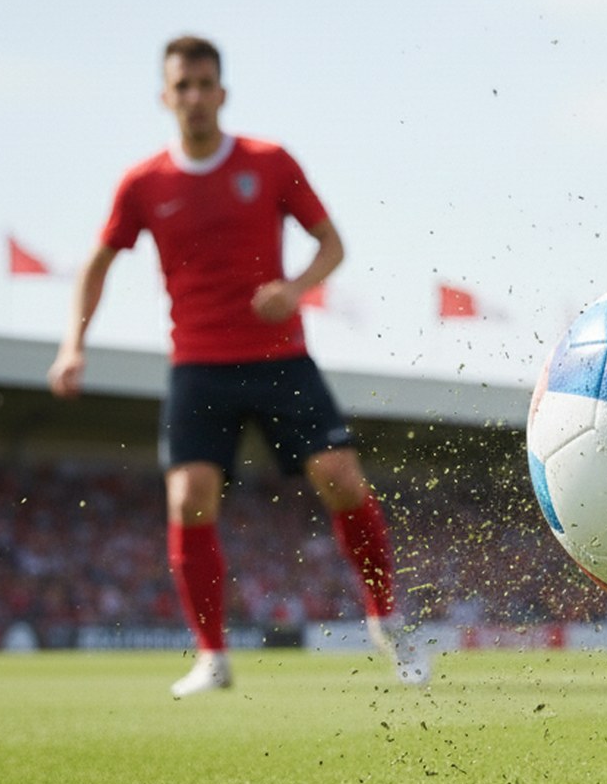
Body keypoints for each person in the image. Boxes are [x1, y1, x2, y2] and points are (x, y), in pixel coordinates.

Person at [48, 35, 430, 696]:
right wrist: (72, 346)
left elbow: (332, 244)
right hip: (198, 364)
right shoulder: (143, 183)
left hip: (280, 355)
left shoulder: (269, 162)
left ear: (222, 92)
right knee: (188, 495)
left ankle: (388, 622)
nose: (195, 96)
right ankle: (212, 658)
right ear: (166, 97)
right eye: (183, 85)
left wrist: (296, 288)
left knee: (340, 475)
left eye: (205, 84)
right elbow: (97, 263)